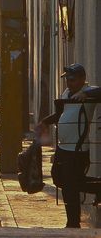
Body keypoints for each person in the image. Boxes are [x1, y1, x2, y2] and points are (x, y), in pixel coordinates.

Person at [37, 63, 101, 228]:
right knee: (59, 178)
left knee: (70, 185)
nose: (69, 83)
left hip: (76, 149)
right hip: (63, 147)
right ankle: (97, 188)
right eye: (67, 80)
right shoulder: (67, 92)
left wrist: (85, 93)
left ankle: (73, 223)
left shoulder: (87, 92)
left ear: (82, 79)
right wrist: (45, 122)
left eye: (72, 80)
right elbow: (60, 113)